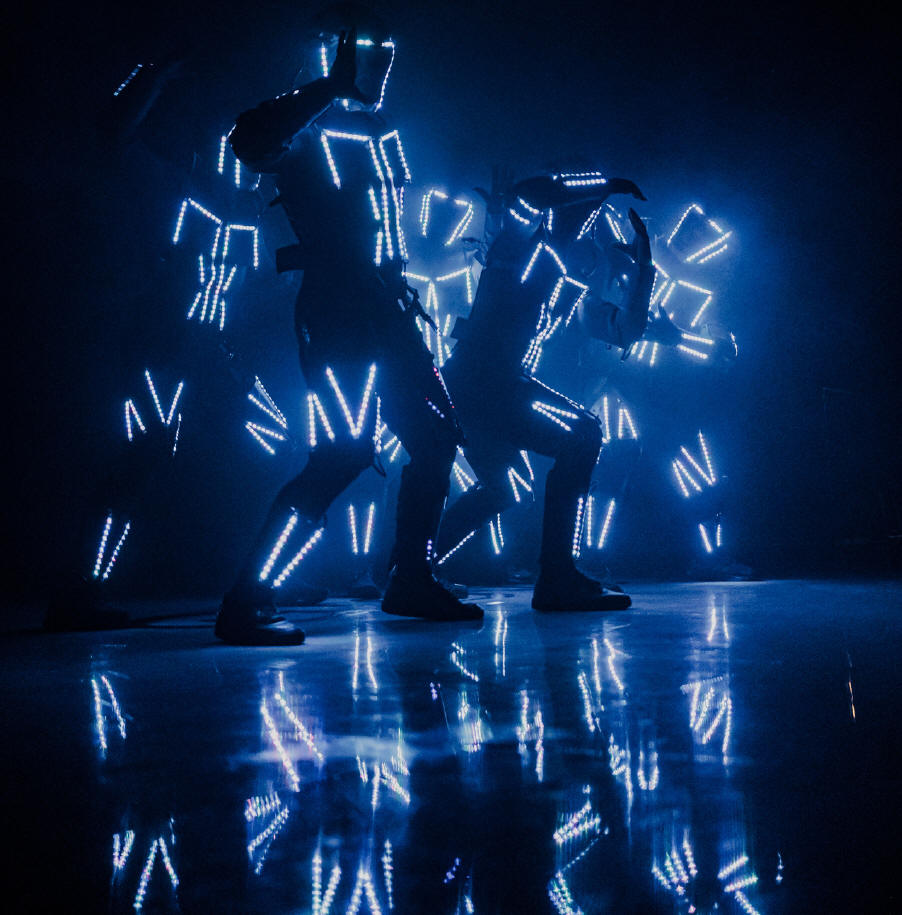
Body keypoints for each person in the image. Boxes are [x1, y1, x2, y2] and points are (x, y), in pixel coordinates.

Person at [216, 6, 482, 645]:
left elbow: (383, 233)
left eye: (388, 53)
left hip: (384, 312)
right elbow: (247, 141)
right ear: (334, 52)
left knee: (436, 437)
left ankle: (410, 578)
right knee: (342, 453)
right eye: (368, 51)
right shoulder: (307, 125)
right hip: (338, 314)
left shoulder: (377, 129)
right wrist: (329, 88)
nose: (382, 64)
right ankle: (247, 599)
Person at [435, 171, 655, 611]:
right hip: (479, 380)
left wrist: (643, 272)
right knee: (583, 434)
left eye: (592, 214)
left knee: (507, 486)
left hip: (488, 384)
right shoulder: (519, 243)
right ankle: (557, 577)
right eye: (584, 210)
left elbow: (623, 330)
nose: (589, 219)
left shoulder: (566, 279)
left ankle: (411, 569)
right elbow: (529, 192)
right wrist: (604, 185)